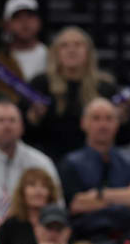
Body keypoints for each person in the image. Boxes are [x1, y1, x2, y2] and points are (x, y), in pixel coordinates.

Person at [57, 98, 130, 243]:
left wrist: (99, 195)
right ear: (83, 123)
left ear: (117, 124)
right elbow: (75, 205)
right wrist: (128, 195)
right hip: (86, 238)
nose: (103, 125)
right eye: (96, 118)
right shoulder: (70, 163)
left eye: (109, 119)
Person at [25, 27, 122, 160]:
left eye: (78, 45)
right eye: (64, 45)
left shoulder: (106, 87)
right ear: (55, 53)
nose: (72, 50)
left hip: (94, 162)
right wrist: (33, 118)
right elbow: (26, 133)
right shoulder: (40, 84)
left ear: (88, 52)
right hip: (49, 160)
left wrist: (123, 117)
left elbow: (124, 136)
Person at [0, 167, 64, 244]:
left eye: (44, 186)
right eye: (32, 185)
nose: (38, 191)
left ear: (50, 192)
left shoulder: (60, 223)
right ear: (22, 192)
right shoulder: (10, 225)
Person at [0, 0, 48, 102]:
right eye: (17, 17)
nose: (25, 22)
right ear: (7, 25)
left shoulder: (53, 57)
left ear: (39, 21)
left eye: (30, 16)